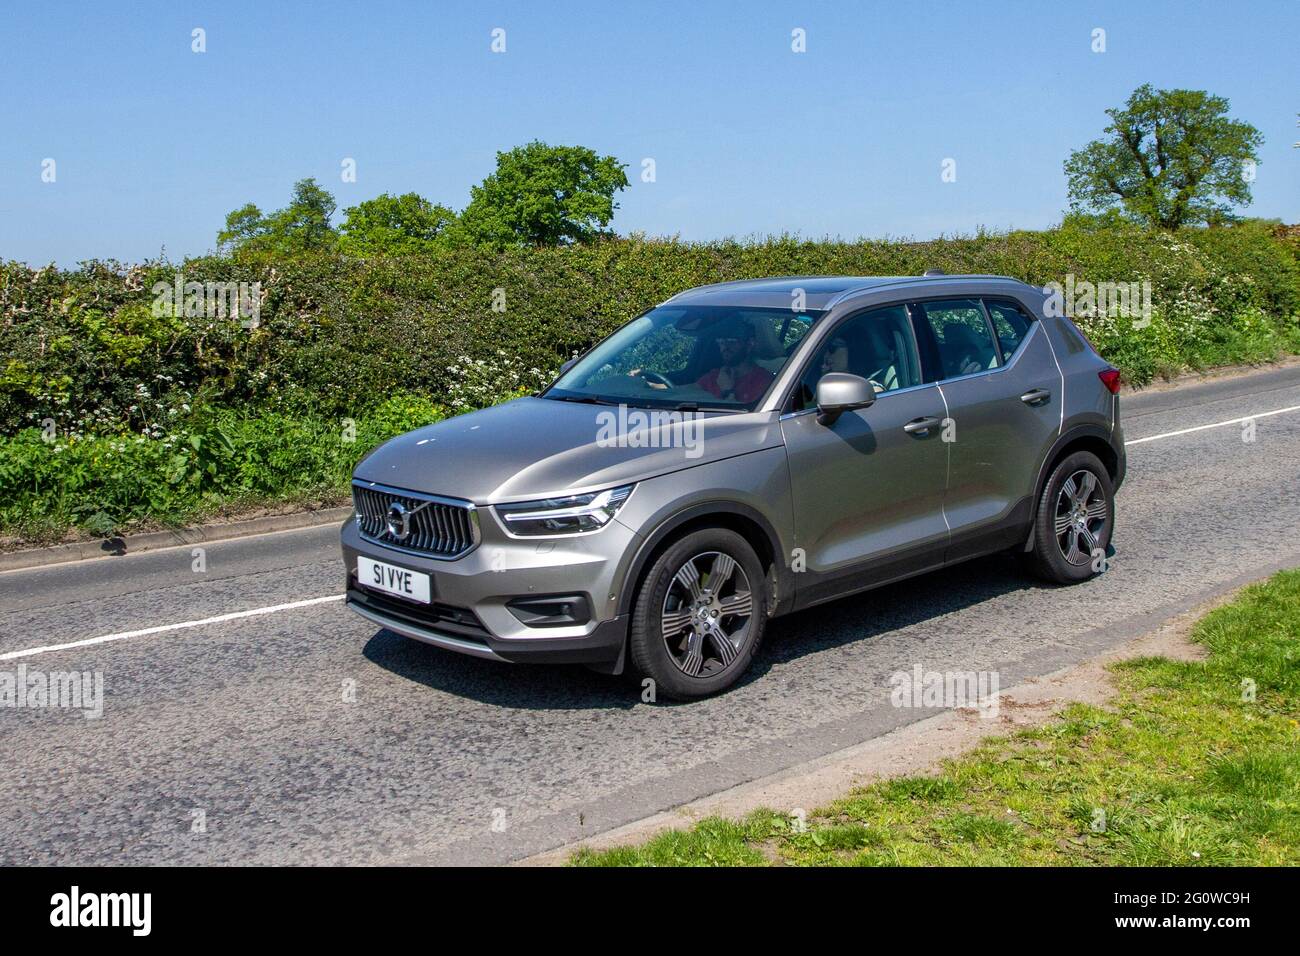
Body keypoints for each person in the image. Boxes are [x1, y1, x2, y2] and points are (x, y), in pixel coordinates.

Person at [696, 317, 773, 403]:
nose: (725, 347)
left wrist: (727, 391)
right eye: (721, 342)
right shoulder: (714, 376)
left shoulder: (763, 382)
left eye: (732, 341)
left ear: (749, 344)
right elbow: (687, 393)